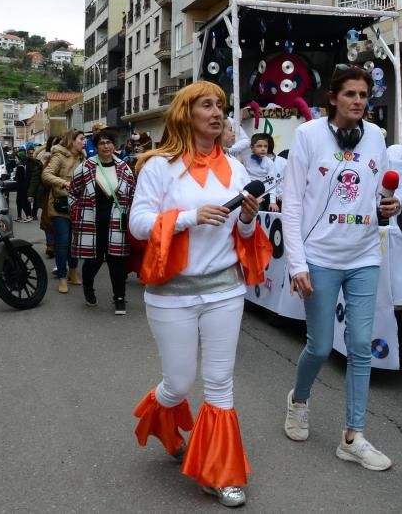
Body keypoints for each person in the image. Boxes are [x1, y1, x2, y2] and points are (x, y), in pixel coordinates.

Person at [129, 81, 271, 508]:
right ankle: (163, 420)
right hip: (170, 294)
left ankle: (221, 473)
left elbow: (244, 234)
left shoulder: (237, 168)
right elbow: (138, 224)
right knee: (178, 382)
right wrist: (189, 217)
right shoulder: (159, 166)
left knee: (219, 383)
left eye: (222, 107)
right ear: (185, 112)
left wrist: (247, 218)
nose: (217, 113)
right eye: (206, 105)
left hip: (224, 290)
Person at [281, 65, 401, 471]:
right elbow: (293, 203)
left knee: (361, 345)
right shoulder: (307, 135)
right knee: (318, 345)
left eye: (364, 95)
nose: (358, 101)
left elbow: (381, 192)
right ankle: (299, 400)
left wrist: (390, 207)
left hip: (364, 254)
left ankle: (353, 436)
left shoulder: (377, 137)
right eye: (350, 94)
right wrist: (297, 263)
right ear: (332, 98)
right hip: (320, 258)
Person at [69, 130, 136, 313]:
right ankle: (88, 288)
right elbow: (72, 193)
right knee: (93, 261)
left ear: (114, 145)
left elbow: (132, 196)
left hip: (116, 224)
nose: (106, 146)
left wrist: (131, 216)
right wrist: (77, 213)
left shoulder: (125, 168)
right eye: (102, 143)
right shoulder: (85, 167)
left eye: (109, 142)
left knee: (117, 262)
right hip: (91, 223)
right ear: (96, 146)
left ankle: (119, 298)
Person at [43, 129, 85, 293]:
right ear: (72, 141)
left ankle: (73, 273)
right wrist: (64, 183)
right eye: (81, 139)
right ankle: (62, 277)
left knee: (75, 242)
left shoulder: (83, 157)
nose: (84, 142)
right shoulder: (59, 156)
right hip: (59, 206)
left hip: (78, 205)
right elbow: (46, 175)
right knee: (63, 241)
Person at [32, 136, 59, 257]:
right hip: (47, 194)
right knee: (48, 222)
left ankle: (59, 245)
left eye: (58, 143)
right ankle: (50, 245)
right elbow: (38, 178)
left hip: (63, 193)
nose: (56, 146)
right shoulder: (43, 158)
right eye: (54, 144)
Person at [243, 133, 276, 211]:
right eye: (259, 146)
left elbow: (271, 182)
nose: (263, 149)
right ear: (252, 147)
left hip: (263, 191)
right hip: (248, 190)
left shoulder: (269, 163)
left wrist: (273, 201)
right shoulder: (245, 159)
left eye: (265, 146)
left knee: (261, 208)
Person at [13, 148, 37, 222]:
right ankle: (19, 216)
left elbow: (18, 178)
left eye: (17, 158)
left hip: (21, 187)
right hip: (22, 186)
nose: (16, 159)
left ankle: (28, 215)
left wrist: (14, 178)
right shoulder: (23, 166)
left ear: (20, 159)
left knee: (21, 202)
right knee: (18, 201)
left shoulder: (20, 167)